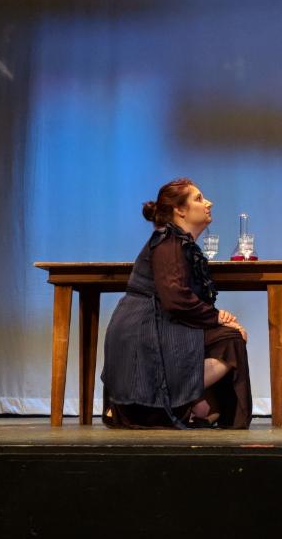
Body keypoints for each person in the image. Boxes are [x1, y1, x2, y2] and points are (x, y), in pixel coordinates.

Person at [101, 178, 252, 429]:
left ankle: (187, 403)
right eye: (199, 198)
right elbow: (175, 297)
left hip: (164, 322)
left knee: (226, 342)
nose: (208, 203)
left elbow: (184, 298)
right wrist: (217, 318)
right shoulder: (168, 242)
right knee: (230, 341)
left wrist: (219, 318)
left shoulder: (180, 243)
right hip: (147, 328)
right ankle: (165, 402)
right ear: (180, 210)